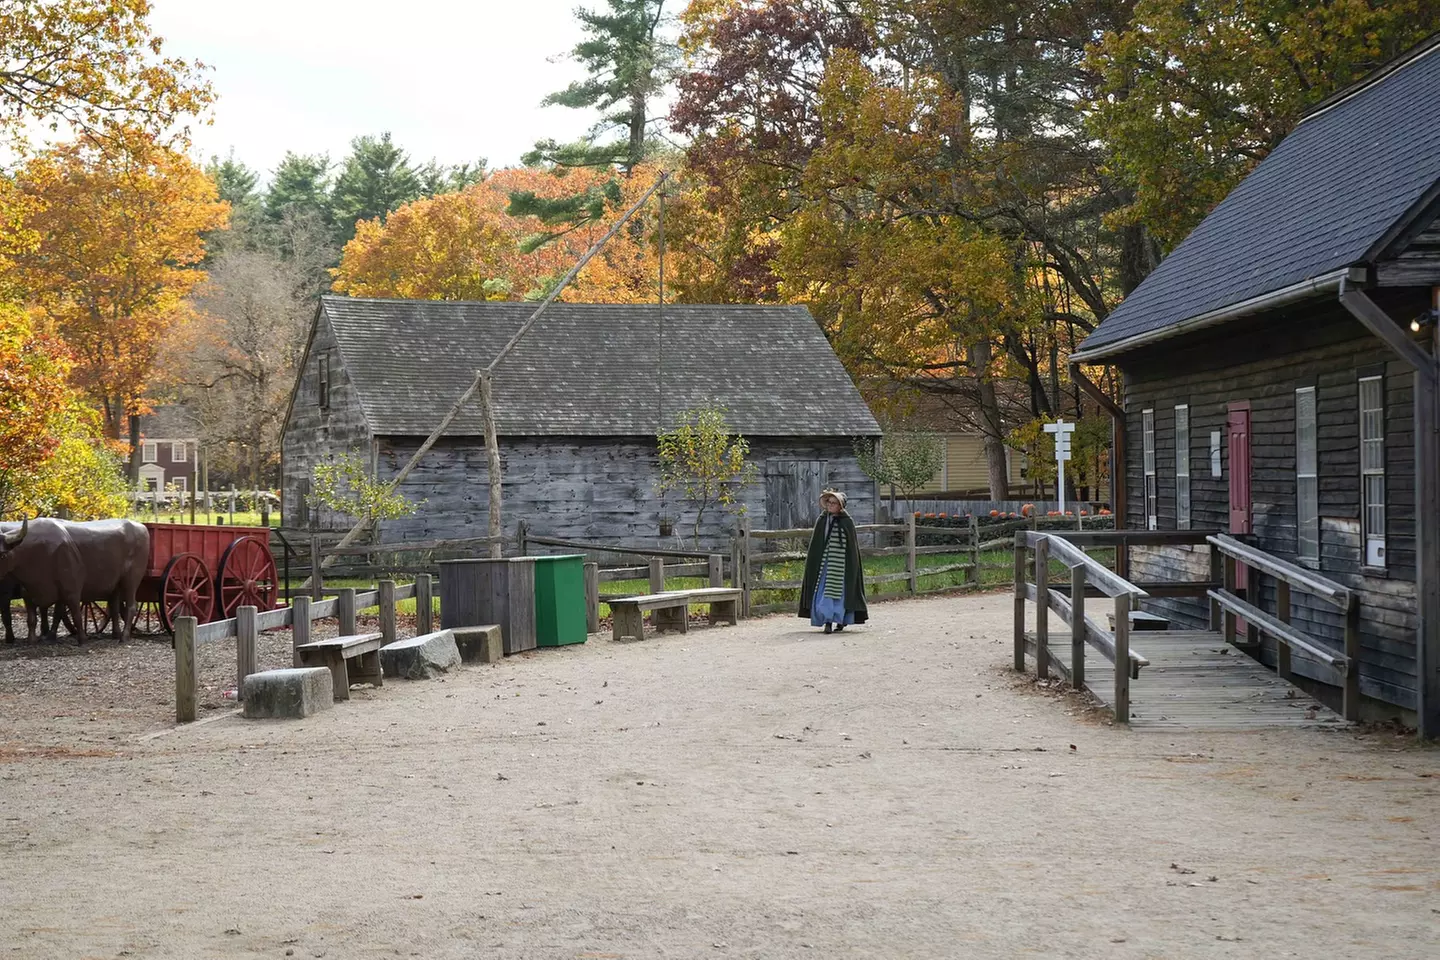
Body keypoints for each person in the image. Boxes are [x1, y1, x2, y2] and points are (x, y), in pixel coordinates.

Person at [799, 489, 868, 634]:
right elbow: (817, 544)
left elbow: (852, 548)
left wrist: (851, 565)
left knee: (841, 593)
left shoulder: (847, 522)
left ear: (840, 506)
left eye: (834, 503)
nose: (830, 505)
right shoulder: (822, 520)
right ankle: (828, 620)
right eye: (829, 502)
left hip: (842, 566)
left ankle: (841, 619)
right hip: (825, 565)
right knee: (824, 591)